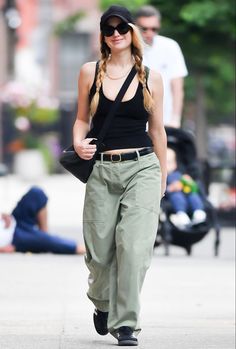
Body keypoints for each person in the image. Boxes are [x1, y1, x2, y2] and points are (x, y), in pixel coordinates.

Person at [72, 5, 167, 347]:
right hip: (102, 169)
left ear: (132, 32)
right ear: (103, 35)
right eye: (108, 29)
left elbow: (158, 132)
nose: (115, 34)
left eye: (122, 28)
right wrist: (78, 142)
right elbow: (82, 119)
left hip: (142, 167)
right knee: (99, 253)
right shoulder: (89, 72)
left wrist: (163, 179)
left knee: (134, 247)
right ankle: (102, 301)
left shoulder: (151, 77)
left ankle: (126, 324)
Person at [135, 5, 188, 127]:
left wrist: (176, 119)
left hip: (165, 121)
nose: (149, 33)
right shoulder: (127, 49)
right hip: (136, 124)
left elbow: (177, 87)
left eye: (154, 29)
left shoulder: (170, 46)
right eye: (144, 29)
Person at [0, 186, 85, 255]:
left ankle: (43, 236)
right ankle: (45, 240)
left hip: (12, 221)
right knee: (55, 243)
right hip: (12, 238)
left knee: (36, 193)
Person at [166, 148, 206, 229]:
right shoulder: (162, 177)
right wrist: (171, 188)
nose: (166, 165)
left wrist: (189, 182)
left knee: (193, 196)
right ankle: (181, 214)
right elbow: (164, 191)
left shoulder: (180, 174)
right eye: (163, 162)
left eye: (169, 162)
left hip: (187, 193)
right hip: (174, 198)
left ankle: (198, 212)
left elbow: (192, 185)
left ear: (175, 164)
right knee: (177, 197)